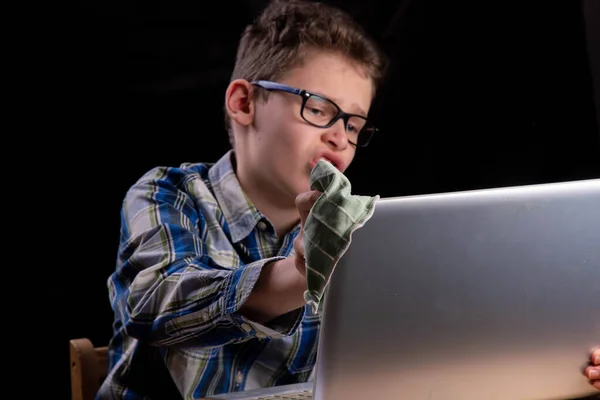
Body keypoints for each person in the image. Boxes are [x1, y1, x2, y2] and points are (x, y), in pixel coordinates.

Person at [98, 0, 600, 398]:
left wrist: (563, 357)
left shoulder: (366, 229)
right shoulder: (169, 194)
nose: (341, 138)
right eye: (319, 109)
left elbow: (421, 352)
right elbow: (154, 304)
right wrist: (299, 274)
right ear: (245, 103)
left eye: (355, 124)